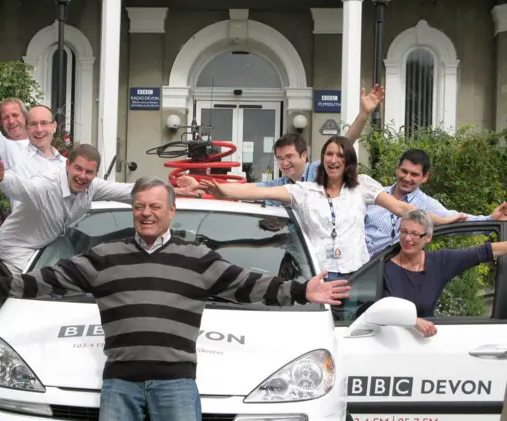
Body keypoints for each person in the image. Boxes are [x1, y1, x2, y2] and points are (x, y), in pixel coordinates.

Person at [0, 176, 351, 421]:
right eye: (140, 207)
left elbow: (250, 285)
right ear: (133, 210)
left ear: (171, 211)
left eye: (155, 207)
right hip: (120, 385)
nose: (147, 213)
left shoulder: (197, 258)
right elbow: (49, 279)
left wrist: (302, 290)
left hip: (175, 384)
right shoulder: (105, 256)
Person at [200, 136, 465, 281]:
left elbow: (403, 209)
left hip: (357, 278)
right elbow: (257, 190)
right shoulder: (304, 191)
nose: (334, 159)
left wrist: (444, 220)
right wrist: (220, 190)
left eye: (340, 155)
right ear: (322, 159)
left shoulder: (364, 188)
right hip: (315, 277)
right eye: (329, 153)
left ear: (348, 161)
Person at [368, 208, 507, 421]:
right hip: (389, 349)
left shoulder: (439, 262)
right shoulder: (385, 266)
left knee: (415, 416)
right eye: (404, 232)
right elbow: (379, 308)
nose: (408, 239)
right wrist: (413, 319)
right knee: (385, 416)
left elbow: (483, 252)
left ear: (428, 238)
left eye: (415, 235)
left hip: (422, 351)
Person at [0, 144, 199, 274]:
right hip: (11, 255)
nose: (82, 177)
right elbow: (23, 189)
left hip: (44, 250)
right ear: (67, 165)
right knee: (34, 297)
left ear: (95, 173)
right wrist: (2, 178)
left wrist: (175, 190)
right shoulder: (46, 185)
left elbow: (131, 192)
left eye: (89, 172)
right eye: (78, 169)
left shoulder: (92, 187)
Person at [256, 84, 385, 206]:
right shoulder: (281, 185)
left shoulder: (319, 170)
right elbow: (254, 190)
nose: (284, 163)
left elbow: (347, 141)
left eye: (289, 157)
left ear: (303, 155)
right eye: (280, 158)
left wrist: (364, 114)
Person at [365, 149, 507, 257]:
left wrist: (490, 219)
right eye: (404, 171)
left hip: (388, 273)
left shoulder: (426, 204)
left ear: (425, 177)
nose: (407, 178)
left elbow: (455, 220)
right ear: (397, 169)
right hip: (356, 270)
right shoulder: (375, 195)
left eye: (414, 174)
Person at [0, 65, 67, 180]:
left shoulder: (65, 165)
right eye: (33, 124)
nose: (39, 129)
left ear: (54, 126)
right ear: (27, 127)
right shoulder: (14, 153)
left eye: (44, 123)